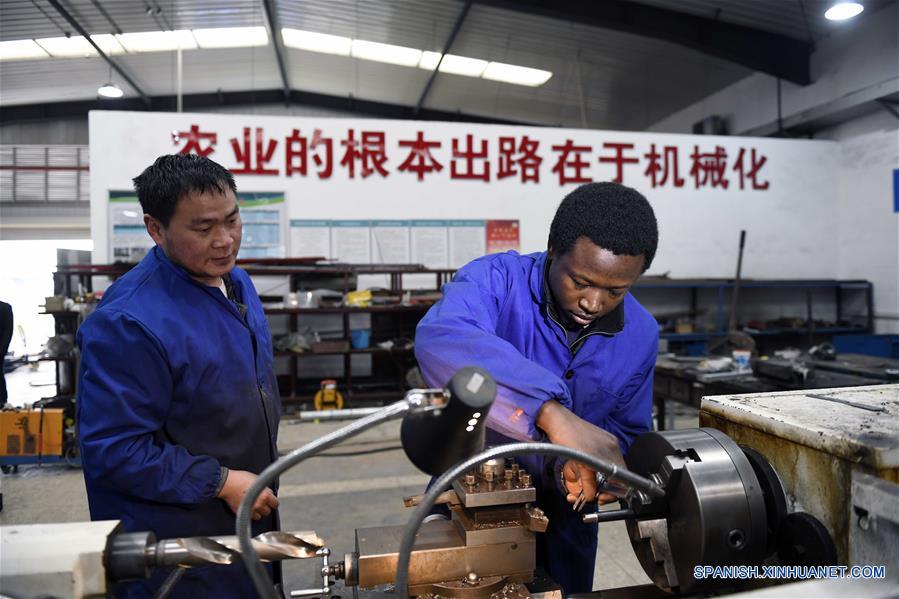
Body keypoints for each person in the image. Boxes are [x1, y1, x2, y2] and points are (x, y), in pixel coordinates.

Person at [414, 182, 659, 594]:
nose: (593, 302)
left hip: (569, 523)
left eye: (615, 291)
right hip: (471, 502)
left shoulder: (641, 334)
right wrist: (549, 411)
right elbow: (440, 339)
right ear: (552, 250)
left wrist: (609, 475)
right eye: (580, 281)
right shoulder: (494, 282)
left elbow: (627, 432)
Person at [77, 154, 281, 598]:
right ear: (155, 228)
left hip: (245, 512)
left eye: (232, 220)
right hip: (174, 542)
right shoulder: (129, 321)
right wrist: (222, 481)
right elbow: (114, 450)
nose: (225, 240)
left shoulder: (237, 283)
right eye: (203, 229)